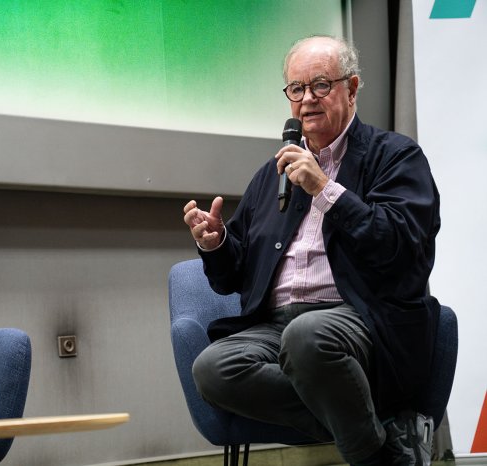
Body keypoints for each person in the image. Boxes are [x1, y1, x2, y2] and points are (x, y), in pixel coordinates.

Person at [183, 35, 440, 466]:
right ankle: (383, 437)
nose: (307, 100)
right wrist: (217, 244)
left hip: (363, 319)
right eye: (296, 89)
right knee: (213, 369)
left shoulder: (396, 157)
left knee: (308, 338)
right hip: (275, 327)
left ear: (352, 88)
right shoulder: (273, 174)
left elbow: (402, 247)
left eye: (320, 85)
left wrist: (324, 188)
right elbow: (233, 278)